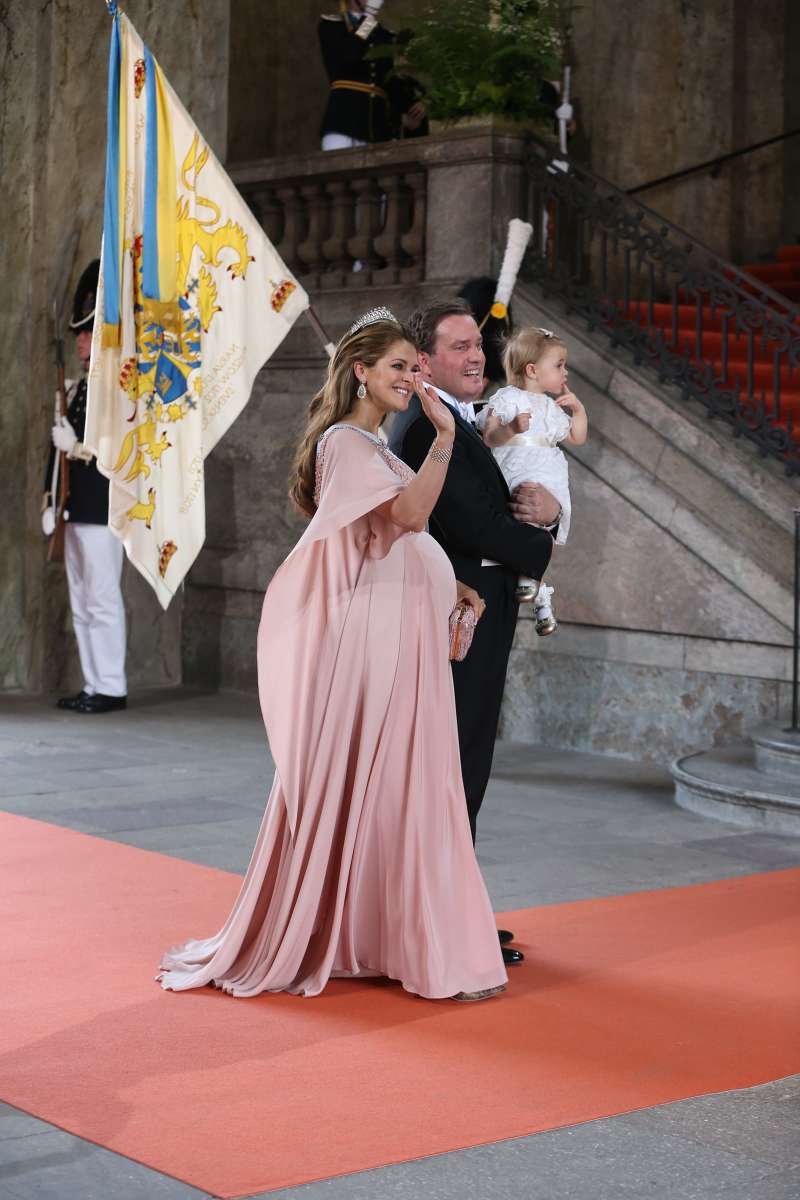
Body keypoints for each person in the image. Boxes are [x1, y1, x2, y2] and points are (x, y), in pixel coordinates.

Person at [158, 310, 507, 1003]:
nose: (413, 378)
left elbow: (391, 534)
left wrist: (452, 579)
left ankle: (394, 937)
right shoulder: (349, 443)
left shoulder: (369, 445)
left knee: (401, 785)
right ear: (361, 373)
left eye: (415, 366)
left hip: (398, 633)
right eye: (399, 367)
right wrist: (443, 439)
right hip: (376, 643)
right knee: (394, 781)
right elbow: (406, 520)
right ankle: (415, 945)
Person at [389, 300, 559, 966]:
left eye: (477, 346)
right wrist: (540, 540)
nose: (476, 356)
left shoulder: (460, 426)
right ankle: (438, 921)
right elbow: (470, 526)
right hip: (455, 611)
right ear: (423, 361)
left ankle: (454, 908)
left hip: (478, 606)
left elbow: (494, 511)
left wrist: (545, 511)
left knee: (467, 765)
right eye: (459, 347)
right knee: (451, 766)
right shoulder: (423, 433)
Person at [43, 260, 127, 715]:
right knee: (82, 601)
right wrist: (49, 499)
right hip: (74, 511)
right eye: (78, 335)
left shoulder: (116, 390)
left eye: (88, 335)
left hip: (101, 509)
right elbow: (53, 453)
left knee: (102, 598)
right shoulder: (77, 391)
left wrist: (76, 449)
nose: (80, 342)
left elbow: (117, 453)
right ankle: (94, 682)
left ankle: (112, 686)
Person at [476, 326, 588, 633]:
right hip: (517, 465)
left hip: (547, 471)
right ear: (532, 370)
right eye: (559, 365)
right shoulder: (509, 397)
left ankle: (534, 579)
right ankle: (538, 591)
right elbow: (490, 436)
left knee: (539, 526)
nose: (565, 371)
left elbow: (577, 436)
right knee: (520, 515)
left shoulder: (552, 408)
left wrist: (578, 409)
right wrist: (510, 428)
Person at [318, 0, 426, 150]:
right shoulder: (331, 25)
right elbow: (350, 56)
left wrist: (414, 108)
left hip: (376, 128)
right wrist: (369, 16)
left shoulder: (384, 34)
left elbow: (387, 81)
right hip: (343, 121)